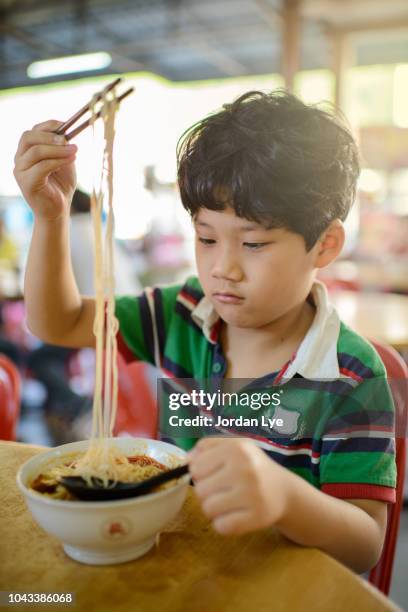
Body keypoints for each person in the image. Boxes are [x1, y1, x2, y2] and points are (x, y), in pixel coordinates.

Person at [14, 90, 396, 574]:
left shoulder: (350, 377)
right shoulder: (183, 313)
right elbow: (58, 321)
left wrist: (286, 498)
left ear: (325, 244)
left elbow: (365, 545)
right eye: (206, 238)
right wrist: (51, 215)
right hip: (177, 569)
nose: (223, 269)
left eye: (254, 243)